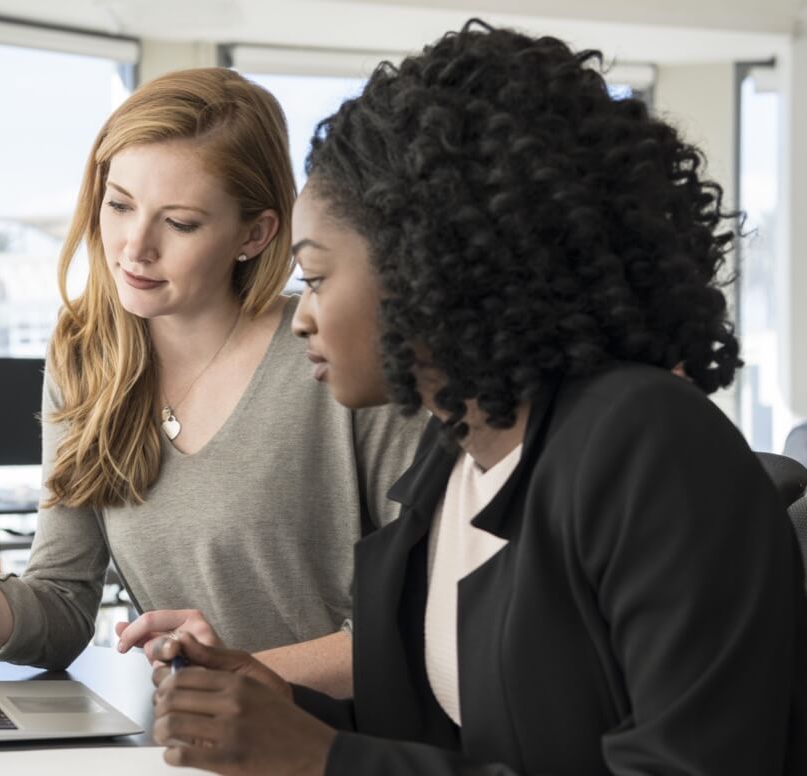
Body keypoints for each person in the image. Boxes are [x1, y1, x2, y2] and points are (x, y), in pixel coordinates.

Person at [146, 22, 807, 775]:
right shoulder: (451, 462)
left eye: (319, 276)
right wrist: (277, 707)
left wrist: (325, 759)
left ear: (427, 268)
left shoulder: (648, 441)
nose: (301, 314)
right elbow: (459, 736)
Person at [0, 67, 426, 694]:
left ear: (255, 234)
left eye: (180, 223)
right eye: (119, 204)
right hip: (203, 743)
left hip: (349, 747)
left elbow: (431, 627)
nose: (135, 246)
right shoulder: (86, 361)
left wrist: (242, 676)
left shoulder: (338, 354)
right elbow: (60, 611)